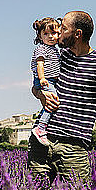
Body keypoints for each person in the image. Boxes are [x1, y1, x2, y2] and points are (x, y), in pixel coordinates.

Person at [30, 11, 96, 181]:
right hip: (42, 141)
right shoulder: (60, 57)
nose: (58, 32)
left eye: (63, 28)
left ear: (77, 34)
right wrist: (41, 95)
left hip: (74, 148)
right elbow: (35, 88)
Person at [30, 17, 61, 146]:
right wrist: (42, 78)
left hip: (49, 80)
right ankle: (41, 127)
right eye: (46, 34)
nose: (50, 37)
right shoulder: (42, 48)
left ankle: (42, 124)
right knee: (53, 100)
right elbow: (40, 64)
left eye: (53, 33)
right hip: (45, 79)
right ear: (40, 36)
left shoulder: (54, 49)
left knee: (50, 102)